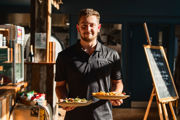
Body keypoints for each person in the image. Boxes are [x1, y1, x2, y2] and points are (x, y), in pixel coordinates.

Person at [55, 8, 124, 120]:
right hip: (74, 116)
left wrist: (115, 94)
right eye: (84, 25)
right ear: (78, 28)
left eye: (92, 25)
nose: (88, 29)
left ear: (98, 28)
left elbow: (118, 82)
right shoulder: (64, 56)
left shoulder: (112, 55)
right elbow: (59, 86)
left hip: (103, 116)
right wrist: (63, 99)